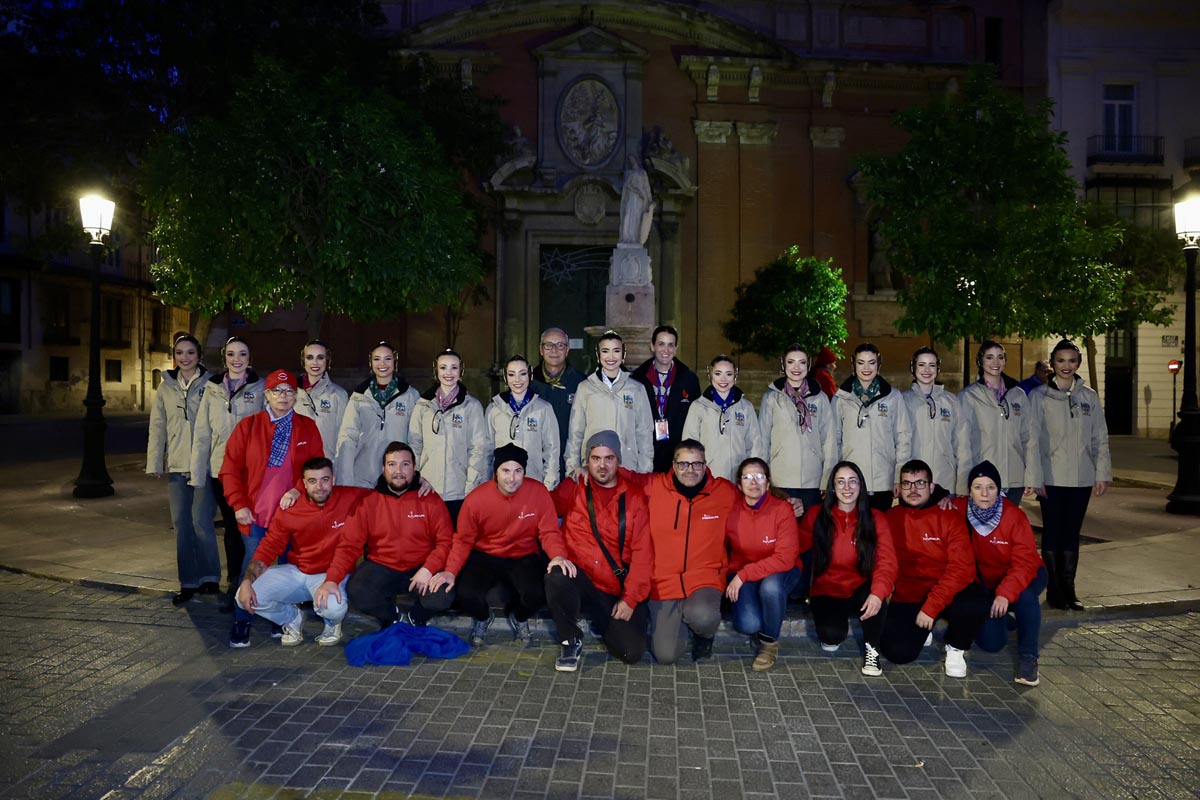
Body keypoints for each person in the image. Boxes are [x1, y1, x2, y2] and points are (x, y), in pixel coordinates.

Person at [219, 369, 326, 647]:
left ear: (296, 395)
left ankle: (283, 619)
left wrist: (297, 489)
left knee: (287, 574)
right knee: (253, 568)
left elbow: (317, 471)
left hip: (292, 517)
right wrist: (238, 505)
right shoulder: (249, 426)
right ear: (267, 394)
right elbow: (229, 470)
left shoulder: (307, 427)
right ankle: (242, 621)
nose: (284, 396)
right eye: (277, 390)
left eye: (290, 391)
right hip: (255, 515)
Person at [428, 444, 571, 645]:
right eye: (506, 470)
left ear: (524, 472)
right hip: (485, 553)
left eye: (518, 471)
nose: (512, 478)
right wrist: (450, 571)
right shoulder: (476, 499)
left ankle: (519, 618)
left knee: (538, 593)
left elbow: (549, 532)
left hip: (522, 553)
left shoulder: (538, 493)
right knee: (466, 594)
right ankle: (484, 617)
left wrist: (557, 556)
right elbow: (462, 540)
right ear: (496, 471)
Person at [318, 441, 456, 629]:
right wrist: (332, 580)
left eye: (405, 464)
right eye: (392, 464)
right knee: (358, 591)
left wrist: (429, 569)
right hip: (382, 566)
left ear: (414, 468)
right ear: (383, 468)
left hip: (420, 568)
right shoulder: (369, 502)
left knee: (443, 594)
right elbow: (349, 546)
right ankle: (391, 617)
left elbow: (445, 541)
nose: (398, 470)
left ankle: (417, 616)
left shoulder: (430, 499)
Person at [546, 431, 653, 671]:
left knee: (631, 651)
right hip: (580, 577)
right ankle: (569, 639)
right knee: (556, 575)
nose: (602, 465)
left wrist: (630, 600)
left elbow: (643, 556)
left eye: (609, 458)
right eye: (595, 458)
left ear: (618, 461)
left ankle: (601, 621)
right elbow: (543, 511)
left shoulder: (635, 499)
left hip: (613, 588)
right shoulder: (574, 487)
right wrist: (557, 552)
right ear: (587, 461)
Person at [234, 457, 363, 647]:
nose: (319, 486)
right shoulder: (290, 508)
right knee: (244, 596)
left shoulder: (351, 497)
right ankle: (292, 617)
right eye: (312, 481)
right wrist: (247, 581)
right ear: (303, 483)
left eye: (325, 479)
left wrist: (421, 482)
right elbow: (270, 546)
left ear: (333, 479)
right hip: (298, 571)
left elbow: (388, 493)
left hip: (331, 574)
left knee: (333, 609)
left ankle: (332, 624)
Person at [630, 439, 737, 664]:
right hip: (664, 580)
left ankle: (704, 636)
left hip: (704, 577)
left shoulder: (723, 492)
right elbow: (620, 476)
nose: (690, 470)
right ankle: (679, 621)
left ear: (705, 464)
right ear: (674, 464)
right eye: (684, 464)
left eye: (697, 464)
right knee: (666, 655)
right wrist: (581, 471)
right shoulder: (655, 485)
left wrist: (787, 500)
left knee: (702, 616)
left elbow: (754, 498)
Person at [880, 460, 990, 677]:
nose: (913, 490)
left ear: (931, 487)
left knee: (975, 600)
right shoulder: (890, 518)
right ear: (899, 489)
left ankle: (956, 648)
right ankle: (923, 630)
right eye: (907, 484)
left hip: (948, 592)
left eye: (920, 483)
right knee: (897, 653)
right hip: (910, 593)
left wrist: (931, 607)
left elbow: (962, 570)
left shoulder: (949, 516)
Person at [1026, 339, 1112, 611]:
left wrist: (1102, 473)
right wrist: (1034, 477)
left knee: (1072, 533)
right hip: (1051, 477)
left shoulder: (1089, 396)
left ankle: (1069, 588)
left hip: (1081, 478)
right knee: (1053, 532)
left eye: (1072, 360)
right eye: (1061, 360)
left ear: (1078, 363)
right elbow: (1031, 441)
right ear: (1053, 363)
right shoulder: (1038, 396)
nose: (1066, 366)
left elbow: (1100, 437)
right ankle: (1054, 590)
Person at [797, 461, 897, 677]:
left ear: (861, 486)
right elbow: (795, 546)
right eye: (840, 482)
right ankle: (836, 621)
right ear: (832, 487)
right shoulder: (816, 515)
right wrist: (785, 511)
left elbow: (887, 561)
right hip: (827, 588)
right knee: (831, 637)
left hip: (861, 587)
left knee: (876, 594)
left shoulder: (876, 518)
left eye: (853, 481)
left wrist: (879, 594)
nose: (847, 488)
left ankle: (872, 649)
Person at [952, 460, 1046, 686]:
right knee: (991, 643)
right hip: (986, 583)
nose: (984, 493)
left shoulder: (1014, 516)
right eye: (977, 487)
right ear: (969, 490)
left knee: (1024, 598)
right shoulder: (957, 509)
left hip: (1024, 575)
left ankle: (1029, 658)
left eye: (991, 487)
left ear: (999, 489)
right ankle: (1004, 619)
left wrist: (1004, 594)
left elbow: (1024, 564)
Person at [190, 336, 265, 609]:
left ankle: (255, 580)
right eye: (231, 354)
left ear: (249, 358)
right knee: (232, 528)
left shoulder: (260, 388)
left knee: (250, 527)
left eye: (242, 354)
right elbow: (202, 434)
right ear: (225, 357)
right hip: (220, 470)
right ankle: (235, 580)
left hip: (250, 471)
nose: (237, 359)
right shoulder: (212, 389)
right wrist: (197, 475)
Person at [146, 334, 221, 605]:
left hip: (204, 465)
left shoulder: (213, 385)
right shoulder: (165, 387)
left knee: (201, 522)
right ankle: (188, 582)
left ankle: (210, 578)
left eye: (190, 352)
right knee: (181, 524)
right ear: (174, 356)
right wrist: (155, 461)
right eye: (180, 353)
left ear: (199, 355)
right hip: (177, 465)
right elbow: (158, 425)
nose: (185, 357)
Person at [724, 458, 801, 671]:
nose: (753, 482)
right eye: (747, 477)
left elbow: (785, 558)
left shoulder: (782, 509)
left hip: (781, 570)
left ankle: (769, 644)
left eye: (759, 477)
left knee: (771, 588)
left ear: (768, 483)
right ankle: (764, 610)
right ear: (739, 484)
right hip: (743, 570)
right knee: (748, 624)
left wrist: (743, 575)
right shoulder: (730, 510)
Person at [409, 349, 492, 525]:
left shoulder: (472, 406)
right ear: (436, 371)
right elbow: (414, 443)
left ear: (461, 371)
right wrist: (416, 478)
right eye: (443, 367)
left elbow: (478, 448)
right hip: (427, 487)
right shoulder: (423, 405)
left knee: (457, 541)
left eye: (454, 368)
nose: (448, 373)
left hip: (459, 489)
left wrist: (471, 485)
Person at [833, 343, 912, 512]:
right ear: (853, 364)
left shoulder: (893, 397)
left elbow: (903, 437)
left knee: (880, 531)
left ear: (879, 364)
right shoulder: (841, 398)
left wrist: (899, 476)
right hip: (851, 482)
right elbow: (834, 440)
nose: (866, 368)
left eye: (872, 362)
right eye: (861, 362)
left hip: (883, 480)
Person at [758, 344, 837, 510]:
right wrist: (763, 477)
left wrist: (827, 479)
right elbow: (763, 440)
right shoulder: (771, 398)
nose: (796, 367)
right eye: (791, 362)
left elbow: (829, 440)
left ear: (808, 365)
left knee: (810, 531)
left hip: (812, 480)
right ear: (783, 364)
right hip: (780, 479)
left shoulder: (820, 398)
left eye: (801, 362)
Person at [566, 329, 654, 475]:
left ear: (623, 354)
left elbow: (644, 432)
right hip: (594, 467)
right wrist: (573, 468)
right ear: (598, 355)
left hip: (627, 466)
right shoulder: (585, 388)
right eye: (605, 351)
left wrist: (644, 470)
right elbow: (576, 433)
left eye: (616, 351)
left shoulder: (636, 389)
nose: (611, 356)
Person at [336, 341, 420, 489]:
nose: (382, 363)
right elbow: (348, 437)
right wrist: (345, 479)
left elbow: (415, 438)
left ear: (395, 362)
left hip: (396, 475)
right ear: (371, 362)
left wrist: (414, 471)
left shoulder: (410, 395)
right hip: (363, 475)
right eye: (377, 359)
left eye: (387, 358)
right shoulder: (359, 396)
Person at [958, 340, 1034, 505]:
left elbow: (1028, 438)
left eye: (1000, 357)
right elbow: (963, 443)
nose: (995, 362)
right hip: (983, 479)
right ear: (980, 361)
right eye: (990, 357)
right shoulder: (968, 396)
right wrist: (963, 482)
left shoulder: (1018, 395)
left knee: (1009, 528)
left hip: (1014, 478)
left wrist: (1032, 475)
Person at [631, 325, 703, 473]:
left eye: (671, 345)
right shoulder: (637, 379)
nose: (666, 350)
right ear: (652, 346)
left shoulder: (689, 379)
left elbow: (698, 419)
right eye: (661, 344)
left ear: (676, 348)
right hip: (645, 454)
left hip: (679, 456)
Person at [681, 355, 762, 482]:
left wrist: (752, 476)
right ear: (710, 375)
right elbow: (689, 445)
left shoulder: (746, 407)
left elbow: (754, 445)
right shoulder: (698, 407)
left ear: (735, 376)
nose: (723, 379)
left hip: (738, 480)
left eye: (729, 374)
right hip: (708, 479)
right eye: (718, 373)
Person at [902, 347, 971, 496]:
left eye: (932, 365)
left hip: (945, 481)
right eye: (921, 365)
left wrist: (962, 485)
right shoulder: (902, 401)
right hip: (914, 483)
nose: (927, 369)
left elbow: (962, 445)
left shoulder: (951, 401)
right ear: (913, 368)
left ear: (938, 369)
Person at [487, 354, 560, 490]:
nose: (517, 380)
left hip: (533, 483)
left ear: (530, 375)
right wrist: (487, 484)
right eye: (511, 374)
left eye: (522, 374)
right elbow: (487, 450)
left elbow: (552, 451)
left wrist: (548, 485)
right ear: (505, 377)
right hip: (502, 486)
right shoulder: (494, 409)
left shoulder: (543, 409)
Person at [530, 327, 586, 480]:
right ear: (541, 350)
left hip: (569, 460)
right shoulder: (528, 382)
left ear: (567, 350)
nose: (554, 350)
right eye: (548, 345)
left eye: (560, 345)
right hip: (535, 461)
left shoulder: (581, 383)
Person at [295, 339, 349, 461]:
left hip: (326, 462)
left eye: (320, 357)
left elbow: (344, 436)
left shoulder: (338, 395)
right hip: (296, 463)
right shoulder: (291, 392)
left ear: (327, 361)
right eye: (310, 357)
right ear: (303, 361)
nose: (315, 362)